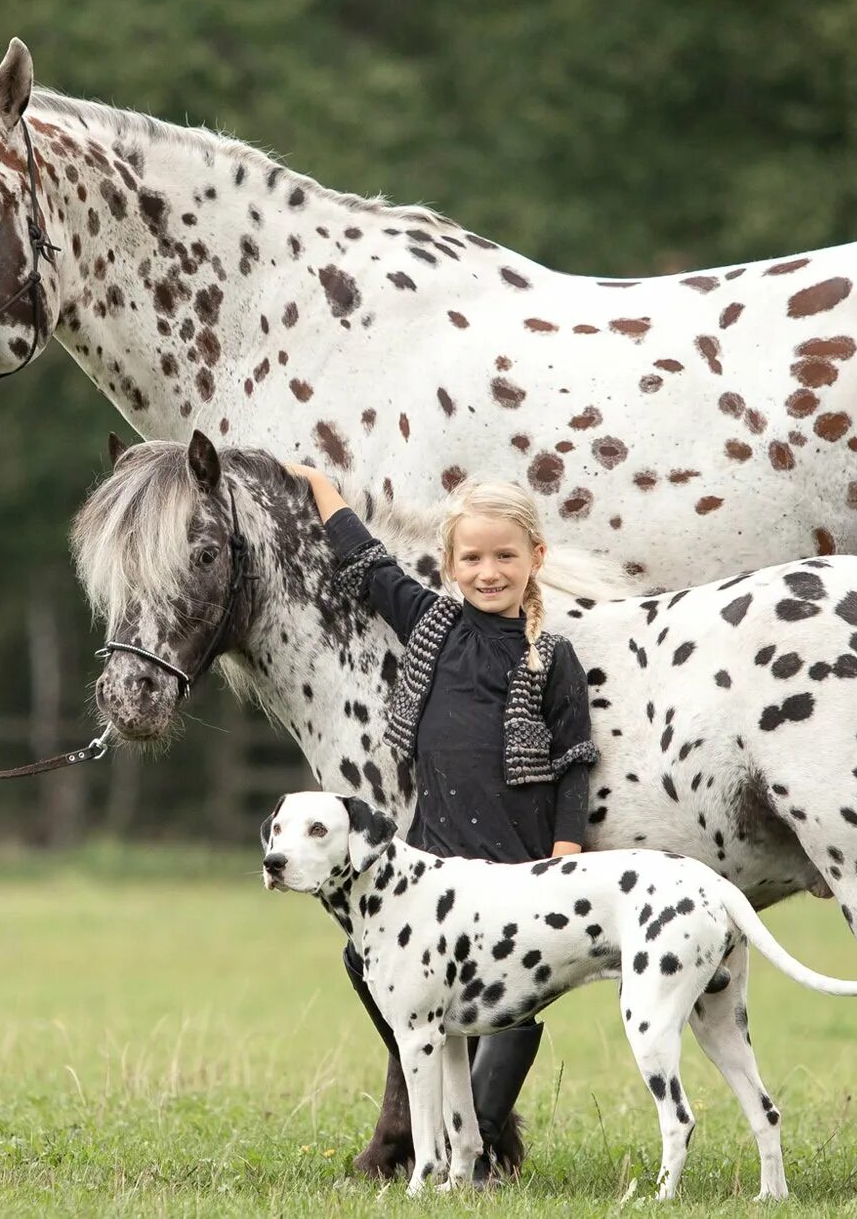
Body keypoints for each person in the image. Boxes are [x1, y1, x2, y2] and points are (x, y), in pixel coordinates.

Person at [284, 463, 597, 1183]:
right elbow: (365, 564)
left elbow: (575, 761)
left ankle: (485, 1141)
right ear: (451, 565)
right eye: (474, 558)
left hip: (516, 860)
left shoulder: (551, 657)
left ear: (535, 560)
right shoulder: (432, 625)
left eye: (505, 557)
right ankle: (435, 1085)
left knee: (514, 1000)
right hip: (432, 858)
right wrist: (318, 487)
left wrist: (565, 856)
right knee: (366, 962)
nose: (489, 573)